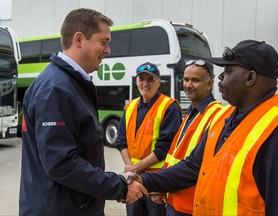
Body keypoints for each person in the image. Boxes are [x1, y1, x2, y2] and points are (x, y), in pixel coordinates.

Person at [129, 40, 278, 215]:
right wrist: (145, 180)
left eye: (227, 71)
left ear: (250, 78)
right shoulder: (226, 116)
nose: (220, 77)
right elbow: (193, 167)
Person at [19, 8, 147, 216]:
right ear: (79, 39)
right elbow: (61, 164)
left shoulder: (70, 84)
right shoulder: (56, 89)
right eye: (103, 42)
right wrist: (119, 186)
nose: (108, 50)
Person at [116, 62, 183, 216]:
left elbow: (165, 147)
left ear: (158, 82)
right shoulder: (130, 106)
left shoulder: (169, 107)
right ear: (136, 81)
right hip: (133, 179)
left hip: (156, 182)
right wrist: (130, 169)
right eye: (141, 79)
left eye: (150, 79)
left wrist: (134, 169)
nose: (145, 83)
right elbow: (121, 141)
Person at [162, 59, 222, 216]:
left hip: (191, 206)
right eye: (186, 79)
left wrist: (156, 182)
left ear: (210, 84)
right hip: (174, 198)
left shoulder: (216, 115)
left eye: (195, 80)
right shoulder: (191, 112)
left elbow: (197, 166)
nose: (188, 85)